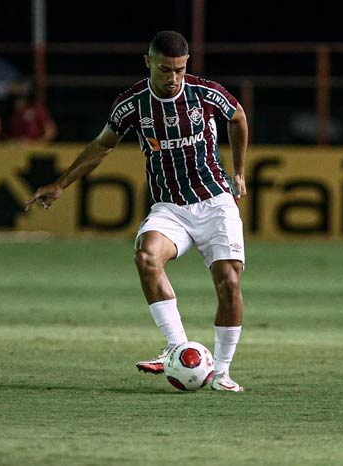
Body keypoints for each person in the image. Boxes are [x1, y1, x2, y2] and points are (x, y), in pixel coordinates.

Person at [26, 31, 248, 392]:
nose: (172, 77)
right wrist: (61, 183)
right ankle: (176, 347)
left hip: (215, 201)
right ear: (148, 62)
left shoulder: (205, 94)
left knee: (230, 281)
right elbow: (101, 147)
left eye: (179, 69)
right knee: (146, 256)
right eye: (165, 69)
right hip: (170, 208)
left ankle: (221, 372)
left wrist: (239, 170)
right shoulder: (131, 105)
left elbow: (237, 116)